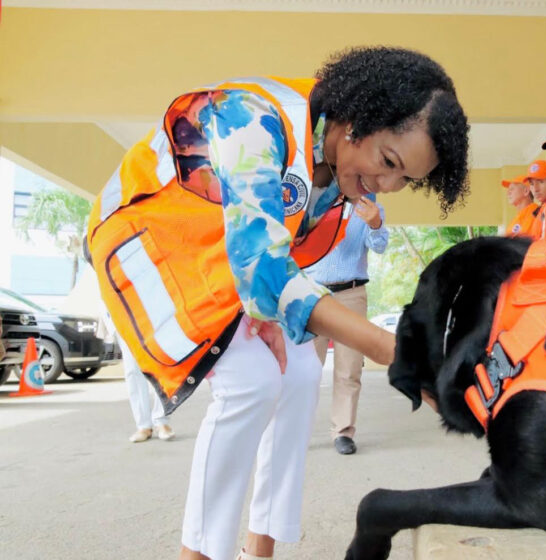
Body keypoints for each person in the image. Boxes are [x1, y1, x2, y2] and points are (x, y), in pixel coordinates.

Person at [85, 47, 469, 560]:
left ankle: (258, 549)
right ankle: (198, 555)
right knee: (252, 383)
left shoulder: (335, 175)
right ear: (358, 122)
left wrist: (263, 313)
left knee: (303, 372)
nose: (387, 185)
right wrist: (396, 352)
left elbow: (268, 264)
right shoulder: (254, 117)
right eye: (389, 162)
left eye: (406, 180)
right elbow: (265, 271)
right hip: (147, 246)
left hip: (217, 265)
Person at [308, 194, 388, 456]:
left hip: (350, 294)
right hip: (312, 293)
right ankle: (296, 430)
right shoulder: (314, 200)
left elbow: (378, 246)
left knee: (349, 369)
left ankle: (342, 431)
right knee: (304, 369)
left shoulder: (369, 208)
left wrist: (376, 224)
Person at [119, 334, 176, 442]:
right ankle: (143, 426)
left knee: (160, 364)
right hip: (121, 319)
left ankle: (161, 421)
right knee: (132, 370)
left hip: (152, 319)